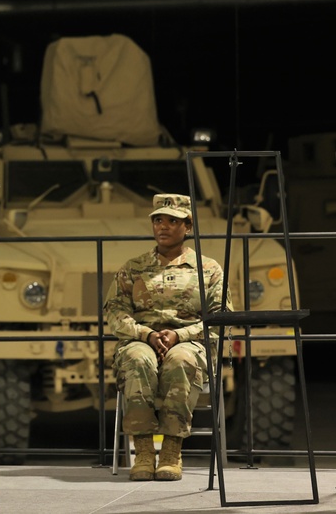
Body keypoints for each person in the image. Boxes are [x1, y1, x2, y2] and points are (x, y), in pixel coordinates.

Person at [103, 193, 231, 482]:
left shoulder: (208, 269)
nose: (163, 226)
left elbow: (221, 318)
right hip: (141, 341)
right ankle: (145, 453)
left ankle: (172, 453)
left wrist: (179, 335)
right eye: (158, 220)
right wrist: (145, 334)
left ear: (187, 226)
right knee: (136, 359)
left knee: (180, 360)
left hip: (190, 343)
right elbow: (115, 312)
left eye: (172, 221)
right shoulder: (133, 268)